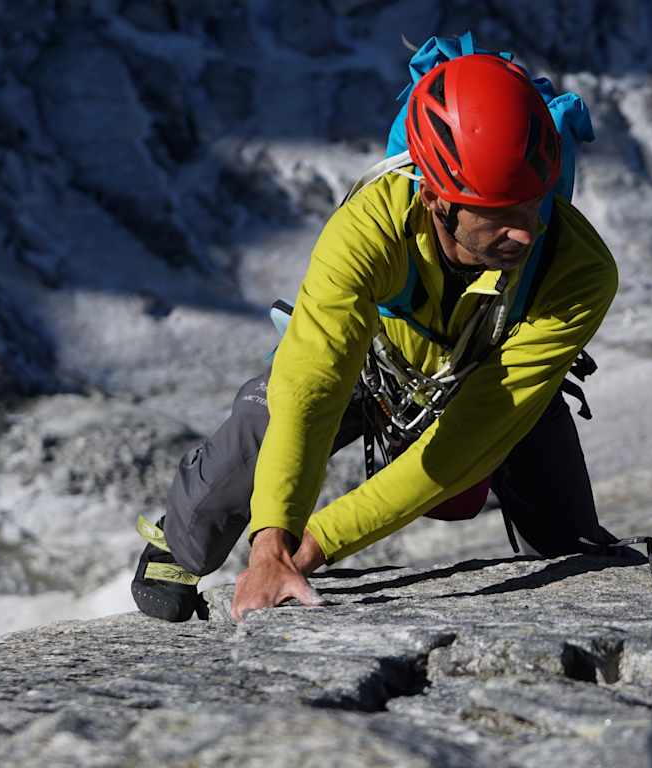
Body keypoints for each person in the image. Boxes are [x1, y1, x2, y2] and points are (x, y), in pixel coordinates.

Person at [131, 52, 621, 623]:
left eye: (534, 203)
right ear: (436, 196)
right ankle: (181, 542)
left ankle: (569, 542)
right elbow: (311, 388)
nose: (527, 229)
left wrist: (313, 547)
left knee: (573, 548)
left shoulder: (578, 269)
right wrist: (271, 543)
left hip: (488, 379)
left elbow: (472, 439)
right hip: (375, 367)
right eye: (499, 213)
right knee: (267, 414)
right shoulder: (370, 230)